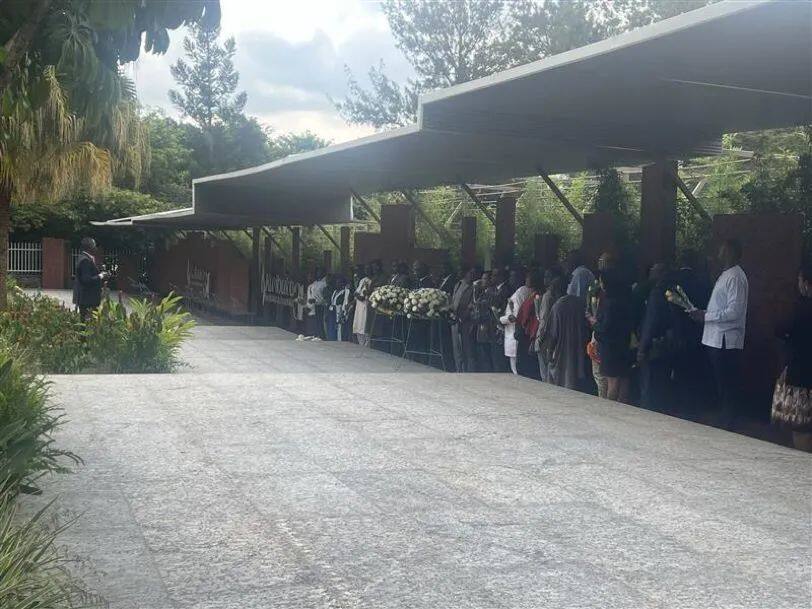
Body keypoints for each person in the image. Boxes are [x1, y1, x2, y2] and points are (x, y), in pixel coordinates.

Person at [690, 238, 749, 428]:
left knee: (727, 382)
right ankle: (724, 417)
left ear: (731, 252)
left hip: (725, 339)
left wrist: (706, 316)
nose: (719, 253)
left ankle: (728, 420)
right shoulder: (726, 274)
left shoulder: (735, 277)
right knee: (721, 382)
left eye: (723, 250)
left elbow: (734, 311)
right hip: (715, 338)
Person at [771, 263, 812, 451]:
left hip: (802, 375)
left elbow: (781, 330)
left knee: (801, 427)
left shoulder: (800, 310)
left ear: (806, 284)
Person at [588, 271, 634, 402]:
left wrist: (594, 323)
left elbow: (606, 327)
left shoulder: (609, 303)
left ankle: (610, 409)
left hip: (610, 347)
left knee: (612, 382)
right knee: (624, 379)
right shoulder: (626, 300)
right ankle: (623, 405)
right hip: (624, 344)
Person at [636, 262, 676, 411]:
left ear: (659, 273)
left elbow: (650, 322)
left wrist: (642, 349)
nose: (650, 273)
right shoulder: (672, 291)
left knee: (649, 386)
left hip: (654, 346)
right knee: (663, 383)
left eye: (653, 270)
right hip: (669, 344)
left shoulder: (657, 293)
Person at [545, 293, 590, 390]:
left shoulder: (558, 306)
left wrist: (549, 352)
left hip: (561, 353)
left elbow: (552, 334)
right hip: (580, 351)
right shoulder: (581, 304)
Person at [500, 269, 533, 375]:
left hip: (515, 332)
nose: (511, 279)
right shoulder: (527, 291)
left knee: (516, 369)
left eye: (513, 276)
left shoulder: (521, 292)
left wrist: (503, 319)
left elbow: (516, 315)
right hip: (518, 332)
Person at [535, 267, 565, 382]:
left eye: (548, 277)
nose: (545, 279)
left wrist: (539, 339)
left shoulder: (547, 296)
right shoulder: (562, 298)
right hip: (559, 337)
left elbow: (544, 319)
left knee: (546, 374)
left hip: (546, 337)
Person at [73, 237, 109, 321]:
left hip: (86, 298)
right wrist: (101, 276)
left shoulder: (84, 258)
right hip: (88, 299)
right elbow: (86, 280)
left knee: (86, 322)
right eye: (94, 245)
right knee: (87, 323)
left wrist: (100, 273)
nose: (96, 247)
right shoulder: (85, 260)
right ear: (90, 247)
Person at [450, 266, 476, 372]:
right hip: (454, 320)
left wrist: (462, 317)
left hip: (466, 322)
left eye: (474, 273)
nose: (473, 275)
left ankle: (467, 372)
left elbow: (472, 305)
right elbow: (453, 301)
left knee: (467, 349)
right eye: (471, 273)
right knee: (456, 348)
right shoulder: (458, 284)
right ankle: (458, 370)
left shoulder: (474, 287)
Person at [471, 269, 493, 372]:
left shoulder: (491, 292)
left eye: (485, 279)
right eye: (482, 278)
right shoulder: (482, 292)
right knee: (481, 354)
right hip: (479, 326)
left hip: (486, 327)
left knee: (486, 356)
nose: (482, 281)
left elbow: (482, 306)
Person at [352, 264, 373, 346]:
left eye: (368, 269)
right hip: (359, 306)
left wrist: (359, 296)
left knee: (364, 326)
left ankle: (366, 345)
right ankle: (361, 344)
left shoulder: (371, 281)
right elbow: (356, 293)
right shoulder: (362, 280)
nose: (366, 271)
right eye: (366, 269)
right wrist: (358, 296)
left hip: (365, 306)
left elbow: (363, 297)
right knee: (358, 326)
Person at [327, 275, 352, 341]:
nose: (337, 284)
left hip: (339, 312)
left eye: (339, 282)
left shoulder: (345, 292)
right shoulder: (335, 291)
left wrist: (343, 313)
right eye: (336, 282)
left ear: (343, 284)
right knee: (332, 329)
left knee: (340, 329)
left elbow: (345, 303)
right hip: (333, 312)